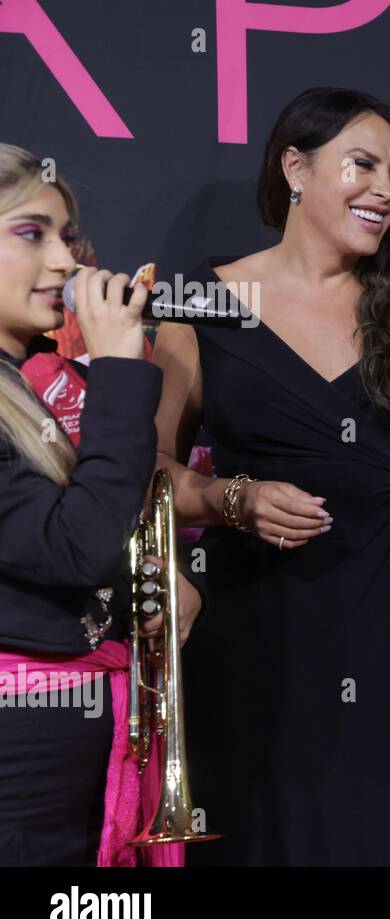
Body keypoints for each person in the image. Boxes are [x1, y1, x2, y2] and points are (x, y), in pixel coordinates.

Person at [151, 88, 390, 865]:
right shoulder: (203, 300)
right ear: (295, 168)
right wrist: (229, 498)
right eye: (363, 165)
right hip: (262, 617)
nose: (387, 188)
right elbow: (150, 475)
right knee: (271, 824)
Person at [0, 143, 200, 866]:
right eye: (31, 233)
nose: (64, 263)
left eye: (66, 236)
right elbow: (70, 546)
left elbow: (75, 543)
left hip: (71, 757)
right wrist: (118, 365)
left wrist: (136, 585)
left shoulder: (26, 386)